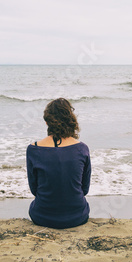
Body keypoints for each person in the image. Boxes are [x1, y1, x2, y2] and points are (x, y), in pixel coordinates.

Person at [26, 98, 91, 229]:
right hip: (77, 215)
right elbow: (84, 189)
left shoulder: (33, 149)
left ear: (46, 122)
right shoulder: (82, 148)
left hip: (42, 215)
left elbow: (34, 189)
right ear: (71, 120)